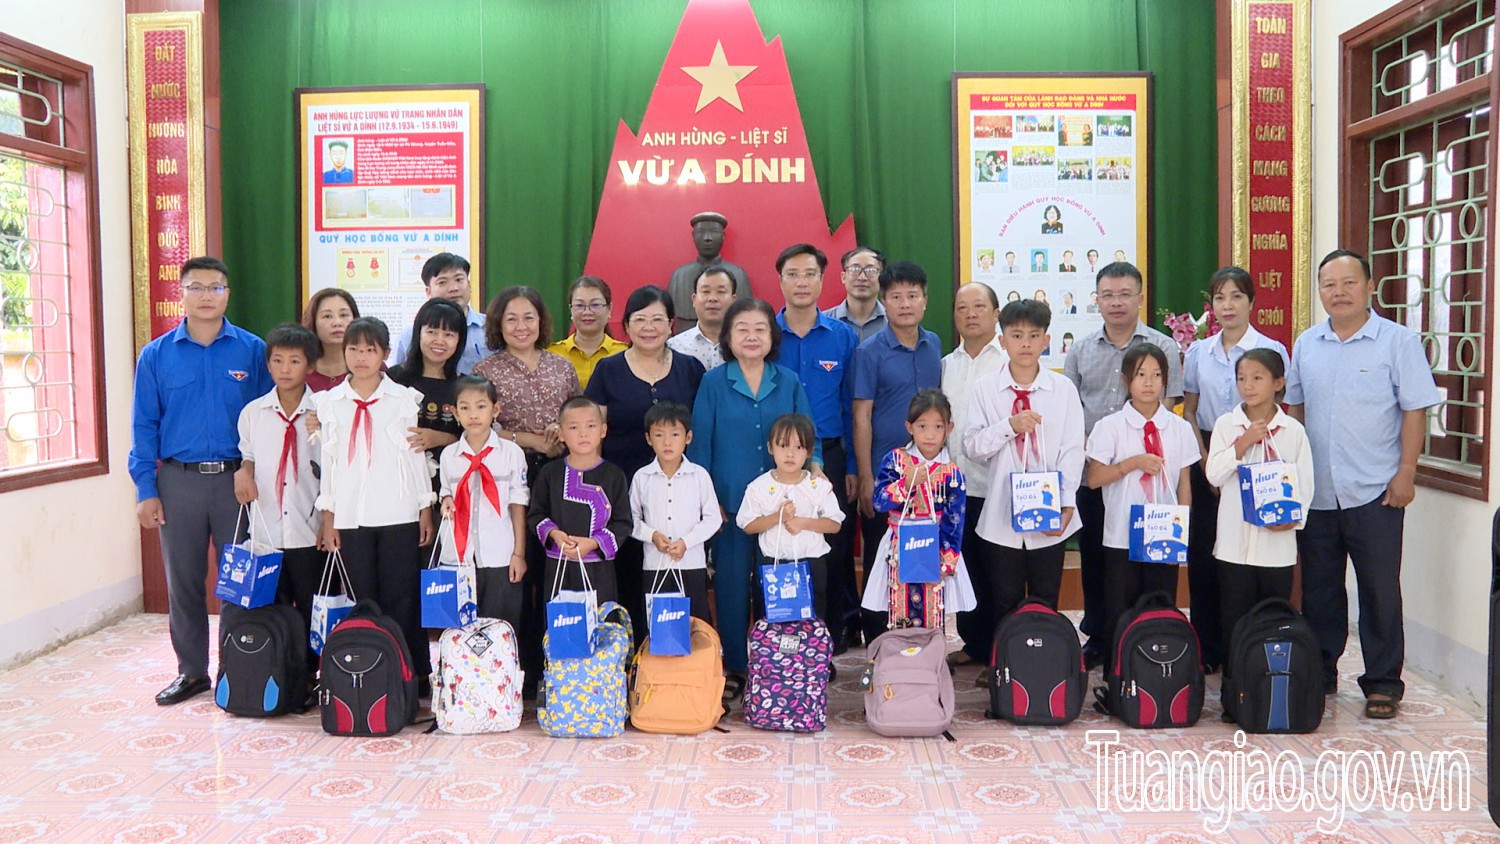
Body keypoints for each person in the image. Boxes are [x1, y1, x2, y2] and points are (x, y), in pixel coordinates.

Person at [1286, 249, 1440, 719]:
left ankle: (1382, 683)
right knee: (1320, 590)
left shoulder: (1397, 341)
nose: (1338, 292)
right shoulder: (1307, 343)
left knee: (1378, 590)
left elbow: (1415, 409)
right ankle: (1322, 673)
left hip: (1377, 490)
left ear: (1369, 286)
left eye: (1348, 283)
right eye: (1329, 284)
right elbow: (1294, 409)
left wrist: (1407, 474)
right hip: (1318, 493)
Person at [130, 256, 271, 705]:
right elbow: (144, 426)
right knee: (184, 582)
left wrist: (252, 472)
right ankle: (192, 672)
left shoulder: (251, 351)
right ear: (182, 293)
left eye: (216, 287)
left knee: (236, 580)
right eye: (197, 287)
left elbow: (264, 420)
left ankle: (235, 666)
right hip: (179, 482)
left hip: (236, 482)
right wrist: (146, 490)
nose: (207, 295)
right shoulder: (156, 355)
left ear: (228, 294)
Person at [689, 298, 820, 699]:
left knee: (777, 583)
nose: (751, 336)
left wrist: (814, 475)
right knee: (729, 585)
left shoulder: (789, 380)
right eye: (741, 328)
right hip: (729, 505)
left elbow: (809, 439)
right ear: (728, 336)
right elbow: (701, 447)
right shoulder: (714, 381)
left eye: (760, 328)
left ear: (771, 335)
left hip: (781, 508)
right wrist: (706, 504)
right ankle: (735, 667)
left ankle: (777, 661)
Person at [1064, 261, 1184, 669]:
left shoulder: (1163, 347)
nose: (1116, 303)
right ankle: (1101, 637)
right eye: (1108, 295)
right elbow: (1072, 413)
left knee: (1152, 562)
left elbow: (1167, 411)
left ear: (1140, 297)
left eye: (1124, 294)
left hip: (1150, 475)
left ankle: (1155, 636)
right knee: (1099, 559)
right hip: (1097, 475)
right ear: (1097, 300)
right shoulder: (1080, 349)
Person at [315, 317, 436, 688]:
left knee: (402, 596)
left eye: (371, 349)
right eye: (354, 348)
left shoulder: (402, 399)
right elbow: (330, 463)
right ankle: (367, 672)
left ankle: (409, 676)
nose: (361, 357)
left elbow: (415, 457)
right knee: (362, 596)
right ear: (344, 351)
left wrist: (424, 508)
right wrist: (329, 517)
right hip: (352, 516)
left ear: (385, 354)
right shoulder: (330, 403)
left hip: (398, 512)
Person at [1181, 266, 1290, 672]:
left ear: (1251, 302)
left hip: (1260, 451)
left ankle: (1253, 647)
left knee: (1253, 553)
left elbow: (1283, 410)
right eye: (1219, 298)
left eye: (1236, 297)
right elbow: (1189, 411)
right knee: (1206, 553)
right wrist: (1207, 458)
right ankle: (1209, 648)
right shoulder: (1197, 353)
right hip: (1210, 449)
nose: (1227, 306)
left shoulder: (1271, 348)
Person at [964, 300, 1086, 655]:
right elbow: (972, 446)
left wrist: (1064, 505)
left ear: (1047, 341)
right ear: (1003, 341)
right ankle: (1006, 668)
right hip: (1001, 513)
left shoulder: (1062, 390)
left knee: (1047, 595)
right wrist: (1008, 426)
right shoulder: (986, 389)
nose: (1026, 344)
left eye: (1034, 336)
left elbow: (1072, 449)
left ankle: (1044, 667)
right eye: (1017, 336)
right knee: (1004, 597)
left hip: (1051, 513)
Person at [586, 285, 706, 639]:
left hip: (679, 491)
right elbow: (594, 431)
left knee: (677, 574)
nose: (649, 327)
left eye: (658, 319)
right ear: (626, 325)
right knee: (627, 572)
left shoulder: (690, 369)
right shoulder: (608, 370)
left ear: (671, 324)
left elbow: (700, 428)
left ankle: (677, 660)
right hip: (620, 491)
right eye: (640, 319)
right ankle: (630, 655)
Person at [1203, 348, 1313, 720]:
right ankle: (1236, 694)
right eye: (1241, 378)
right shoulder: (1226, 425)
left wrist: (1292, 521)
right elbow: (1214, 475)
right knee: (1234, 622)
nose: (1247, 386)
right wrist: (1244, 441)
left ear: (1278, 383)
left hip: (1276, 547)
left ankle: (1271, 687)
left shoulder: (1293, 431)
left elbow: (1305, 486)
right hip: (1234, 546)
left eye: (1257, 378)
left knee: (1272, 620)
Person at [1083, 344, 1196, 672]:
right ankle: (1120, 676)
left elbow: (1184, 482)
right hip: (1122, 534)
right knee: (1120, 608)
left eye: (1157, 375)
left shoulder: (1179, 429)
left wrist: (1183, 526)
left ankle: (1159, 674)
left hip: (1165, 531)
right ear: (1126, 380)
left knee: (1161, 604)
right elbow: (1094, 478)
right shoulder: (1111, 426)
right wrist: (1132, 463)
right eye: (1140, 375)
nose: (1149, 383)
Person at [772, 243, 860, 653]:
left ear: (824, 280)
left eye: (810, 273)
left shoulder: (843, 336)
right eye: (793, 274)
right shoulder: (766, 334)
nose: (802, 282)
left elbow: (851, 404)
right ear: (781, 280)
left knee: (835, 544)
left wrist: (853, 465)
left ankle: (836, 628)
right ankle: (784, 627)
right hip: (777, 455)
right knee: (781, 539)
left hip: (830, 453)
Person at [851, 260, 943, 639]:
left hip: (931, 474)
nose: (905, 304)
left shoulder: (934, 343)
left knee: (924, 556)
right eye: (896, 297)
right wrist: (868, 477)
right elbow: (861, 417)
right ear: (883, 303)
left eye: (912, 296)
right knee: (880, 559)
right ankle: (877, 641)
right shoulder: (869, 351)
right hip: (888, 475)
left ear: (925, 300)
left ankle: (923, 636)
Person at [232, 323, 323, 679]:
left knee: (312, 605)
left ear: (310, 366)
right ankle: (279, 675)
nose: (285, 369)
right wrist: (243, 471)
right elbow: (248, 456)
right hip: (266, 531)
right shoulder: (254, 413)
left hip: (307, 528)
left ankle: (312, 676)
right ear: (268, 365)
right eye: (278, 360)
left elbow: (330, 470)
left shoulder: (322, 413)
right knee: (272, 606)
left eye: (295, 361)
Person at [860, 389, 974, 630]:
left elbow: (955, 519)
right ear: (909, 427)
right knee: (899, 599)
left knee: (934, 600)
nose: (930, 435)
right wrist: (906, 482)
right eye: (922, 427)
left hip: (936, 545)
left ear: (949, 428)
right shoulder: (895, 461)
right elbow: (879, 501)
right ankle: (902, 658)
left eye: (938, 427)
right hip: (899, 542)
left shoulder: (952, 472)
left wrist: (947, 559)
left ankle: (930, 659)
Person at [942, 283, 1009, 665]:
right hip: (955, 486)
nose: (970, 314)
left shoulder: (1007, 362)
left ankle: (1002, 650)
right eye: (962, 307)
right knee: (965, 569)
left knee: (999, 573)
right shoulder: (947, 364)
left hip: (996, 485)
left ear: (996, 312)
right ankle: (974, 644)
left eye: (979, 306)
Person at [738, 413, 845, 632]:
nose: (790, 454)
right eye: (783, 446)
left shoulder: (817, 485)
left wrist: (802, 522)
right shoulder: (758, 487)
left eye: (798, 447)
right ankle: (774, 665)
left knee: (812, 622)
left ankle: (812, 663)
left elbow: (834, 524)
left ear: (809, 451)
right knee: (772, 622)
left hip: (811, 565)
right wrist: (778, 518)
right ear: (770, 448)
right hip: (774, 565)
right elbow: (748, 525)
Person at [438, 375, 530, 628]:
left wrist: (518, 553)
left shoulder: (511, 453)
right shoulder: (449, 455)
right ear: (455, 413)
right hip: (458, 556)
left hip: (500, 554)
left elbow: (518, 504)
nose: (473, 415)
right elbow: (445, 490)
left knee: (500, 627)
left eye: (481, 406)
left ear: (495, 409)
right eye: (464, 408)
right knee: (458, 630)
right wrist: (445, 498)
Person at [527, 396, 631, 606]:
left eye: (591, 426)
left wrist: (592, 543)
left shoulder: (614, 474)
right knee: (561, 629)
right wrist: (555, 535)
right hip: (559, 567)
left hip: (599, 571)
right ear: (561, 434)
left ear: (603, 430)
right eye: (574, 427)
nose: (583, 433)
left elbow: (623, 523)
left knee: (601, 628)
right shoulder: (550, 473)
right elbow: (535, 515)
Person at [473, 286, 579, 478]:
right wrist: (532, 441)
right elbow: (478, 427)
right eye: (511, 319)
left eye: (529, 318)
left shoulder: (562, 366)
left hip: (563, 465)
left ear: (540, 320)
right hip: (505, 469)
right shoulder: (484, 371)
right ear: (499, 324)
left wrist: (560, 430)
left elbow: (579, 414)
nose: (521, 327)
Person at [629, 402, 721, 623]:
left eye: (675, 434)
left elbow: (712, 519)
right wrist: (652, 536)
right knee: (659, 626)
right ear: (648, 438)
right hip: (655, 564)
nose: (667, 442)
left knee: (695, 624)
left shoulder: (699, 475)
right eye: (659, 435)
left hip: (691, 564)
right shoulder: (642, 477)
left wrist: (686, 542)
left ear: (688, 437)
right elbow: (630, 519)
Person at [387, 298, 466, 482]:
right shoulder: (394, 379)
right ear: (418, 333)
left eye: (449, 334)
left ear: (459, 340)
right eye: (432, 332)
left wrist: (441, 438)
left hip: (450, 482)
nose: (440, 341)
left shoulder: (465, 386)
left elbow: (477, 438)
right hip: (399, 479)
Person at [394, 253, 489, 376]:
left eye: (459, 280)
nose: (454, 288)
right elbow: (396, 382)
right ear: (428, 292)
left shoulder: (491, 328)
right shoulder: (409, 336)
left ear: (469, 285)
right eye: (442, 282)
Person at [667, 211, 751, 333]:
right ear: (693, 236)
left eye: (714, 232)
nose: (707, 238)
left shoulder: (739, 275)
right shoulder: (679, 276)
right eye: (701, 233)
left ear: (723, 237)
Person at [548, 275, 627, 389]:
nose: (587, 312)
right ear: (571, 310)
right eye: (579, 305)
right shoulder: (552, 355)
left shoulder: (625, 354)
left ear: (609, 309)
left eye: (595, 305)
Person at [668, 266, 735, 371]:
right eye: (705, 291)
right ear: (694, 300)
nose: (712, 298)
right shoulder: (674, 347)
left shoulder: (746, 345)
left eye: (721, 292)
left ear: (733, 300)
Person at [824, 246, 887, 342]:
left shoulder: (895, 324)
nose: (862, 278)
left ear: (882, 278)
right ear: (843, 277)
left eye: (870, 271)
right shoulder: (823, 323)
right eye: (855, 270)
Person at [301, 287, 359, 392]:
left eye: (344, 315)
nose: (337, 322)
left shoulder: (372, 365)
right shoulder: (300, 369)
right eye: (327, 316)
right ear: (313, 322)